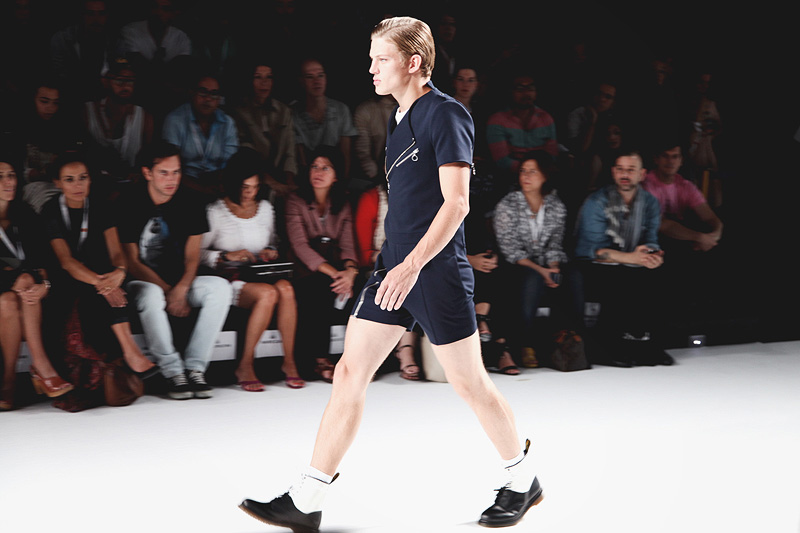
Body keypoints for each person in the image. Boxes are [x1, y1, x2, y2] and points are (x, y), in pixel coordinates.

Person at [240, 17, 542, 532]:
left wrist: (413, 264)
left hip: (435, 271)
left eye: (382, 58)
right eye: (372, 58)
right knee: (349, 373)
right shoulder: (400, 118)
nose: (372, 68)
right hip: (394, 267)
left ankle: (522, 480)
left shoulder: (447, 114)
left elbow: (457, 204)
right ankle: (308, 498)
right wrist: (396, 263)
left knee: (470, 383)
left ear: (414, 62)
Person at [41, 154, 159, 410]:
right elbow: (66, 261)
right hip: (67, 280)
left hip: (100, 274)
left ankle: (130, 353)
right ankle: (131, 353)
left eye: (82, 178)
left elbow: (116, 252)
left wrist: (119, 272)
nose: (77, 185)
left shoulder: (101, 206)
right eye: (69, 180)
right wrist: (102, 284)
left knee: (115, 289)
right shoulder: (51, 210)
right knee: (103, 294)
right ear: (57, 183)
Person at [117, 141, 232, 400]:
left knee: (219, 289)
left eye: (177, 172)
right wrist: (170, 292)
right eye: (164, 173)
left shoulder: (191, 201)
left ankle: (195, 368)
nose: (172, 179)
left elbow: (193, 257)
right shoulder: (129, 201)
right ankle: (172, 372)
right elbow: (132, 261)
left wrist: (181, 289)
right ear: (147, 173)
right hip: (141, 282)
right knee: (152, 295)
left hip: (181, 283)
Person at [200, 148, 303, 391]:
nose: (250, 193)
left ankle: (289, 362)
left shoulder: (265, 208)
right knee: (268, 294)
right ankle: (245, 364)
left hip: (260, 272)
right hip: (229, 277)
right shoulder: (216, 212)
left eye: (255, 187)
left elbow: (273, 241)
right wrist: (226, 255)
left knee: (286, 289)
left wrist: (270, 251)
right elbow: (198, 254)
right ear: (233, 184)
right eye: (245, 187)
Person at [572, 149, 673, 367]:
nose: (624, 174)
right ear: (613, 172)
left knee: (663, 274)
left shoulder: (650, 202)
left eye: (630, 170)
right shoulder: (597, 201)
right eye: (620, 169)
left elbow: (651, 239)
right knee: (619, 276)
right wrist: (633, 259)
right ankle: (611, 348)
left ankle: (651, 345)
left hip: (631, 258)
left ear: (642, 174)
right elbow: (595, 250)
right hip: (593, 261)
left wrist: (653, 255)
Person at [1, 158, 73, 411]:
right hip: (8, 289)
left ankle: (8, 381)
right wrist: (16, 277)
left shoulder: (25, 213)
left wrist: (45, 284)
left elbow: (45, 261)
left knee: (13, 298)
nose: (8, 181)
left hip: (25, 292)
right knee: (9, 296)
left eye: (11, 175)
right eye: (0, 176)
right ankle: (41, 367)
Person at [284, 147, 359, 383]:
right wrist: (336, 274)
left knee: (365, 288)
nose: (318, 172)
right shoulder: (295, 200)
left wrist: (350, 273)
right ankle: (318, 359)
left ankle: (360, 360)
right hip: (305, 268)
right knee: (319, 287)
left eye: (326, 168)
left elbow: (348, 245)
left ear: (336, 176)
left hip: (336, 266)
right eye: (314, 167)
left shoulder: (343, 204)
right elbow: (300, 246)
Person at [493, 152, 571, 369]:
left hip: (544, 262)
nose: (525, 176)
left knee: (572, 276)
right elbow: (510, 249)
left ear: (545, 175)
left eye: (532, 171)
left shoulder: (555, 205)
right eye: (523, 171)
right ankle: (524, 344)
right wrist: (542, 271)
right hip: (515, 265)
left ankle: (568, 340)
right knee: (532, 278)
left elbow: (555, 243)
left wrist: (553, 267)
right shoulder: (508, 204)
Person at [161, 73, 239, 200]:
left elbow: (231, 163)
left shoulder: (227, 123)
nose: (208, 99)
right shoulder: (175, 120)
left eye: (214, 94)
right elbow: (170, 166)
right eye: (203, 92)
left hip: (217, 184)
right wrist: (202, 189)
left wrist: (219, 185)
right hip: (183, 185)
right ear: (192, 93)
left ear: (219, 99)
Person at [82, 58, 154, 194]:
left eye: (130, 81)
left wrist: (136, 172)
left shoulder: (145, 117)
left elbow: (148, 155)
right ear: (106, 81)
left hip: (130, 186)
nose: (125, 86)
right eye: (119, 80)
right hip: (94, 185)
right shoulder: (87, 112)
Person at [230, 60, 298, 198]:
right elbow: (245, 153)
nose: (264, 82)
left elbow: (290, 150)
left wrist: (289, 182)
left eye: (269, 77)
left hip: (281, 176)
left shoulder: (284, 111)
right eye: (258, 77)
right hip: (252, 179)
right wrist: (272, 183)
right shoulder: (239, 112)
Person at [486, 72, 558, 189]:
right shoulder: (497, 120)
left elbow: (552, 154)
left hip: (543, 176)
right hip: (510, 178)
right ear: (511, 92)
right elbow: (502, 161)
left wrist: (540, 172)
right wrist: (530, 173)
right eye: (520, 89)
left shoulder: (546, 118)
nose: (526, 93)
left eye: (530, 89)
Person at [292, 58, 358, 178]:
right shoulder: (293, 113)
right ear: (301, 81)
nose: (316, 81)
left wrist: (342, 180)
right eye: (309, 77)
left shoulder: (341, 109)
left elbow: (346, 154)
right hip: (309, 176)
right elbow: (301, 158)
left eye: (320, 75)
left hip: (336, 175)